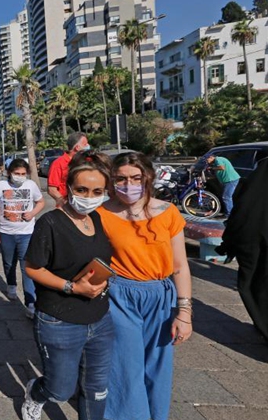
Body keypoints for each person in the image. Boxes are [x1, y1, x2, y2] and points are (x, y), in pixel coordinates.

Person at [97, 152, 192, 420]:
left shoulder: (168, 213)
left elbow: (180, 266)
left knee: (158, 366)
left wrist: (184, 313)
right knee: (125, 367)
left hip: (161, 297)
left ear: (147, 177)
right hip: (119, 295)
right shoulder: (101, 214)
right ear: (112, 180)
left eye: (136, 178)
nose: (129, 185)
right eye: (121, 179)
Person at [21, 152, 115, 420]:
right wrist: (72, 288)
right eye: (82, 189)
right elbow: (31, 267)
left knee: (96, 390)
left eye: (97, 190)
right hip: (59, 320)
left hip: (100, 319)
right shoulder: (49, 223)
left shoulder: (97, 218)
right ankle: (35, 393)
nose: (89, 196)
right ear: (69, 187)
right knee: (59, 390)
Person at [217, 159, 268, 339]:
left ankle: (262, 324)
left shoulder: (250, 194)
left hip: (250, 246)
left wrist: (227, 244)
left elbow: (239, 219)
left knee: (252, 284)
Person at [0, 159, 45, 318]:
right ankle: (11, 284)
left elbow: (40, 202)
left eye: (23, 174)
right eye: (16, 174)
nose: (20, 177)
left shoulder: (31, 185)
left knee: (26, 268)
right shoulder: (0, 186)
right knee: (8, 263)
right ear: (9, 172)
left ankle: (30, 303)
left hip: (27, 232)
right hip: (6, 232)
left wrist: (33, 213)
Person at [47, 132, 90, 208]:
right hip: (67, 208)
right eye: (85, 144)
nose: (88, 146)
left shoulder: (87, 161)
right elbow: (52, 189)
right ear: (77, 147)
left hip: (86, 205)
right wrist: (65, 203)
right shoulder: (58, 163)